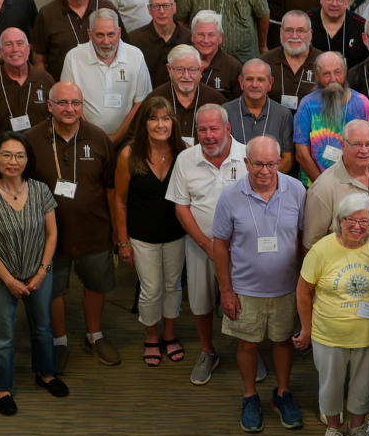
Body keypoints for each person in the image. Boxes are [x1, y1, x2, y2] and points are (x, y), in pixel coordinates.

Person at [213, 136, 307, 433]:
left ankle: (282, 393)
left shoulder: (297, 190)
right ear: (246, 163)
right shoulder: (230, 196)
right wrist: (226, 290)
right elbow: (219, 245)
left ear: (280, 162)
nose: (264, 170)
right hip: (245, 288)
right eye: (257, 164)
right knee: (247, 344)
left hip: (287, 286)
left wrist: (307, 288)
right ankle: (250, 395)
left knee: (282, 341)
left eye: (270, 163)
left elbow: (304, 239)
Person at [26, 82, 120, 370]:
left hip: (93, 229)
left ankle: (95, 334)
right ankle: (60, 340)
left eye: (76, 103)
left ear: (82, 106)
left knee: (95, 284)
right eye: (63, 103)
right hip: (48, 235)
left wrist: (117, 231)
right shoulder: (30, 139)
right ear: (49, 106)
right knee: (55, 288)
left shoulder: (99, 137)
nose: (70, 109)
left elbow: (111, 188)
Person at [0, 132, 65, 415]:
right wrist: (10, 280)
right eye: (6, 155)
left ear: (27, 160)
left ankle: (46, 373)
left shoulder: (40, 190)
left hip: (39, 273)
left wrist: (42, 272)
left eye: (19, 155)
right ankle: (2, 388)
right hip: (0, 279)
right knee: (3, 336)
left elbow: (52, 234)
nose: (12, 161)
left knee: (42, 326)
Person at [296, 194, 369, 436]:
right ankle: (334, 431)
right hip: (329, 335)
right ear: (339, 220)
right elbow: (303, 292)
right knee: (331, 387)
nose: (358, 226)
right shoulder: (322, 249)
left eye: (364, 221)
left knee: (363, 386)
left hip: (368, 334)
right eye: (351, 219)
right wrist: (306, 329)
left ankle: (357, 429)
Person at [166, 104, 247, 385]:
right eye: (202, 129)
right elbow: (181, 207)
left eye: (214, 128)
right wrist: (204, 243)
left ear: (228, 128)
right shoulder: (186, 159)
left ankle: (246, 350)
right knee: (200, 301)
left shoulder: (247, 157)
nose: (208, 135)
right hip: (199, 245)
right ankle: (207, 351)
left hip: (240, 249)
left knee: (241, 300)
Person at [113, 98, 187, 368]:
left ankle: (170, 335)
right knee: (152, 289)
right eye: (154, 119)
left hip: (176, 233)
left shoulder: (184, 152)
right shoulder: (129, 154)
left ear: (173, 122)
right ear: (143, 123)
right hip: (141, 236)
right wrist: (122, 242)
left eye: (166, 118)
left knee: (173, 286)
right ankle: (152, 337)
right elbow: (120, 201)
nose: (160, 124)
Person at [304, 119, 369, 255]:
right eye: (357, 144)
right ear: (342, 145)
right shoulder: (323, 188)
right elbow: (311, 246)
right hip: (349, 274)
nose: (364, 151)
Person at [60, 8, 152, 144]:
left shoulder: (135, 56)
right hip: (84, 139)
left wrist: (116, 138)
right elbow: (67, 102)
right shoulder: (73, 57)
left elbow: (141, 102)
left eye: (111, 34)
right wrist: (93, 136)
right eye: (99, 35)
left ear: (119, 33)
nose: (106, 42)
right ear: (89, 34)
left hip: (127, 140)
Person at [30, 0, 128, 81]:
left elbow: (124, 48)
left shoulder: (107, 8)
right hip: (63, 92)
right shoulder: (47, 14)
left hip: (104, 86)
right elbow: (39, 59)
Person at [294, 51, 369, 186]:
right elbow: (301, 154)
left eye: (337, 72)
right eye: (326, 74)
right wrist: (325, 186)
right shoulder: (307, 104)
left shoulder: (362, 103)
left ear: (345, 72)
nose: (333, 79)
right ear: (317, 77)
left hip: (354, 186)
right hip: (315, 185)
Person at [0, 28, 55, 140]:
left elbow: (56, 119)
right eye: (8, 44)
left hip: (40, 152)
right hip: (3, 154)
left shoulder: (45, 79)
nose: (15, 49)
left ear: (28, 49)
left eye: (20, 43)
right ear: (0, 52)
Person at [145, 45, 226, 145]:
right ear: (169, 69)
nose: (186, 76)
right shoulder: (154, 99)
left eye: (192, 69)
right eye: (180, 69)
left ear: (200, 70)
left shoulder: (216, 100)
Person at [224, 59, 295, 172]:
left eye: (260, 79)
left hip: (269, 182)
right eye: (249, 79)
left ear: (270, 83)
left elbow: (287, 160)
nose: (254, 85)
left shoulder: (283, 114)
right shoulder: (225, 112)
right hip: (233, 180)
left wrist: (265, 179)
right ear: (241, 82)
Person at [126, 0, 191, 90]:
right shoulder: (134, 40)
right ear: (149, 9)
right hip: (146, 101)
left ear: (174, 8)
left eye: (166, 5)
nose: (161, 11)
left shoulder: (189, 39)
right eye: (156, 6)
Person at [258, 10, 322, 109]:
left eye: (300, 30)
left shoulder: (324, 62)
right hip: (273, 122)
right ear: (280, 33)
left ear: (310, 34)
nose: (294, 36)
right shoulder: (264, 62)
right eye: (288, 30)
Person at [310, 0, 368, 68]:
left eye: (340, 0)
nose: (334, 4)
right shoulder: (306, 22)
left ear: (348, 1)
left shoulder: (361, 26)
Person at [191, 10, 245, 101]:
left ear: (220, 38)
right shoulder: (181, 61)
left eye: (211, 35)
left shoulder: (233, 67)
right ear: (192, 37)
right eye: (201, 34)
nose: (206, 40)